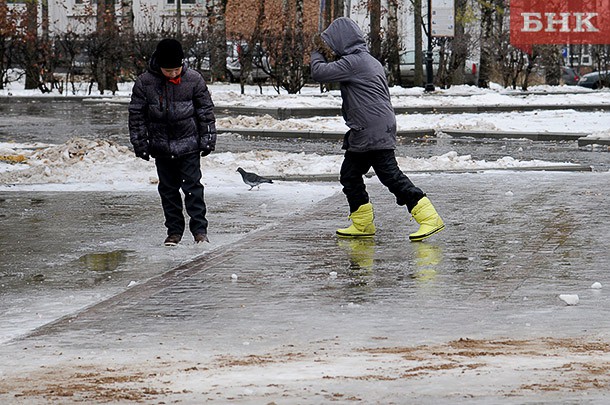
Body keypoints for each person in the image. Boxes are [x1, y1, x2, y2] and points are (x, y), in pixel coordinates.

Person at [310, 17, 444, 242]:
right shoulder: (367, 60)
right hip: (371, 127)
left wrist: (316, 50)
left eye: (332, 42)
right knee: (350, 174)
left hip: (370, 129)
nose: (330, 47)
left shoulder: (354, 62)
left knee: (390, 175)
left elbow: (319, 73)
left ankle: (429, 217)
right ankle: (362, 224)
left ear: (342, 41)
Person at [129, 38, 216, 246]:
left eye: (177, 69)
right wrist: (140, 144)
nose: (174, 74)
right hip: (161, 147)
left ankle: (200, 230)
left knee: (193, 188)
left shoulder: (194, 79)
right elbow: (136, 116)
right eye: (169, 71)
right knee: (168, 190)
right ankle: (174, 231)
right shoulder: (145, 82)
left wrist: (208, 139)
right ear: (159, 66)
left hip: (189, 145)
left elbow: (205, 112)